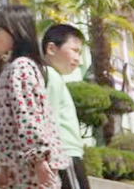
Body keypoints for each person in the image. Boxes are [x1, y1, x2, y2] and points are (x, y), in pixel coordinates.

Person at [0, 5, 68, 189]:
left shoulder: (21, 68)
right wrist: (5, 168)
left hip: (29, 168)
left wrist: (39, 159)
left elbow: (28, 116)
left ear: (17, 32)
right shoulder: (12, 68)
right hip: (20, 167)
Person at [42, 24, 89, 189]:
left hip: (68, 154)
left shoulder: (55, 77)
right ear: (51, 49)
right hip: (65, 154)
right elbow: (48, 120)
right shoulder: (51, 76)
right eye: (74, 51)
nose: (78, 59)